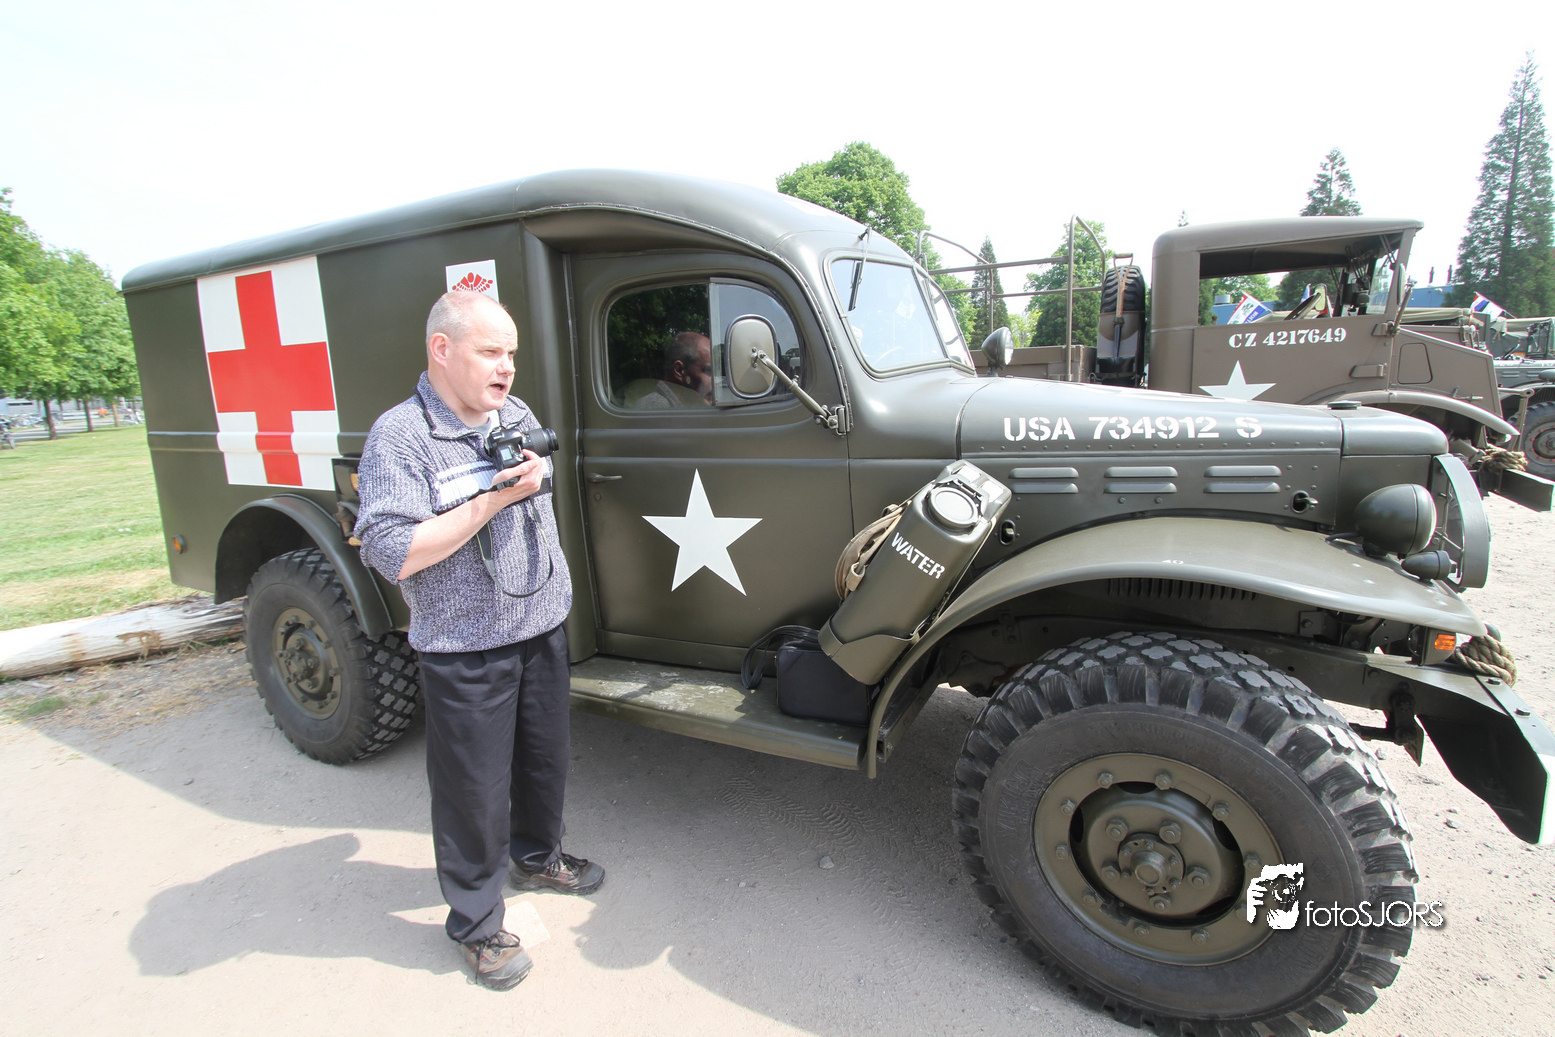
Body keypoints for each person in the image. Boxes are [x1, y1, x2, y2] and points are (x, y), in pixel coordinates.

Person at [355, 290, 604, 991]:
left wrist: (534, 476)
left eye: (511, 353)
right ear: (442, 349)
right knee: (473, 792)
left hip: (539, 624)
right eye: (491, 351)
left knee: (544, 764)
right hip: (465, 646)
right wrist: (492, 499)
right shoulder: (400, 436)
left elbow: (538, 486)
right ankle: (475, 924)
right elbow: (393, 551)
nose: (506, 367)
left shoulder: (512, 413)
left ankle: (537, 856)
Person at [622, 330, 713, 408]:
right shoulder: (655, 407)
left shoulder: (687, 406)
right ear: (679, 370)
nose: (715, 381)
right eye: (708, 371)